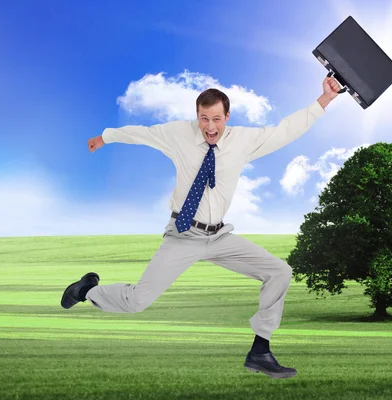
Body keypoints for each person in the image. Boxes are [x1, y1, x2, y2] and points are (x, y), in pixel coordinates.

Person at [61, 76, 341, 379]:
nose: (210, 126)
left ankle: (260, 351)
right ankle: (87, 290)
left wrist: (324, 99)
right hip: (184, 234)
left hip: (219, 235)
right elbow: (143, 133)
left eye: (216, 119)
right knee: (138, 301)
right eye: (204, 118)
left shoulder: (243, 141)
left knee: (279, 271)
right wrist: (106, 136)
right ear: (197, 116)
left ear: (227, 117)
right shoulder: (178, 134)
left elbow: (286, 130)